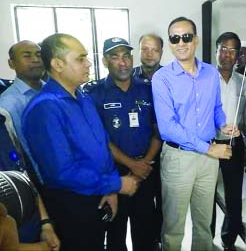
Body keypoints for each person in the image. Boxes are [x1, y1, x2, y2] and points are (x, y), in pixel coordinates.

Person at [22, 33, 138, 251]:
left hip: (97, 195)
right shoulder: (45, 108)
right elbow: (62, 172)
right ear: (57, 64)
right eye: (80, 58)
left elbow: (102, 147)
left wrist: (110, 190)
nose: (88, 63)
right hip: (72, 205)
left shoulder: (82, 96)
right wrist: (116, 184)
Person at [152, 16, 238, 251]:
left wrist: (223, 125)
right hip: (179, 158)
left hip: (208, 160)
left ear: (196, 40)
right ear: (170, 43)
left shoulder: (210, 73)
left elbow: (217, 108)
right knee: (174, 227)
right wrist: (211, 148)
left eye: (186, 37)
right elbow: (168, 127)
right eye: (175, 38)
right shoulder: (162, 79)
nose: (181, 42)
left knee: (203, 225)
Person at [85, 37, 161, 251]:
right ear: (105, 60)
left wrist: (142, 165)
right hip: (113, 174)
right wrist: (131, 165)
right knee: (115, 234)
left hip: (146, 170)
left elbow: (158, 131)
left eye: (126, 56)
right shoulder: (94, 93)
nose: (123, 62)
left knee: (146, 231)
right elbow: (100, 140)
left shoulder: (148, 89)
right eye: (115, 56)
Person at [0, 108, 60, 251]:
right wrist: (38, 248)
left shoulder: (4, 118)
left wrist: (46, 224)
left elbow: (23, 174)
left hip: (35, 229)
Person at [213, 32, 246, 251]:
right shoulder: (205, 78)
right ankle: (205, 238)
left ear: (238, 56)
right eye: (223, 49)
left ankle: (229, 240)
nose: (227, 55)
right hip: (209, 144)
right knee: (206, 196)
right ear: (216, 51)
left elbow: (245, 117)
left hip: (234, 145)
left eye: (233, 50)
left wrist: (242, 130)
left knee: (234, 197)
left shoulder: (243, 82)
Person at [132, 33, 164, 247]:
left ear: (162, 52)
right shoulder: (129, 77)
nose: (149, 54)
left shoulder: (171, 76)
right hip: (139, 153)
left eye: (154, 49)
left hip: (167, 152)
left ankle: (159, 239)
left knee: (165, 202)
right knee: (140, 206)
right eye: (145, 49)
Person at [0, 40, 46, 185]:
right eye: (27, 56)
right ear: (11, 63)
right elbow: (20, 151)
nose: (35, 59)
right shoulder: (7, 104)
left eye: (39, 55)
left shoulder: (54, 92)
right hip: (41, 182)